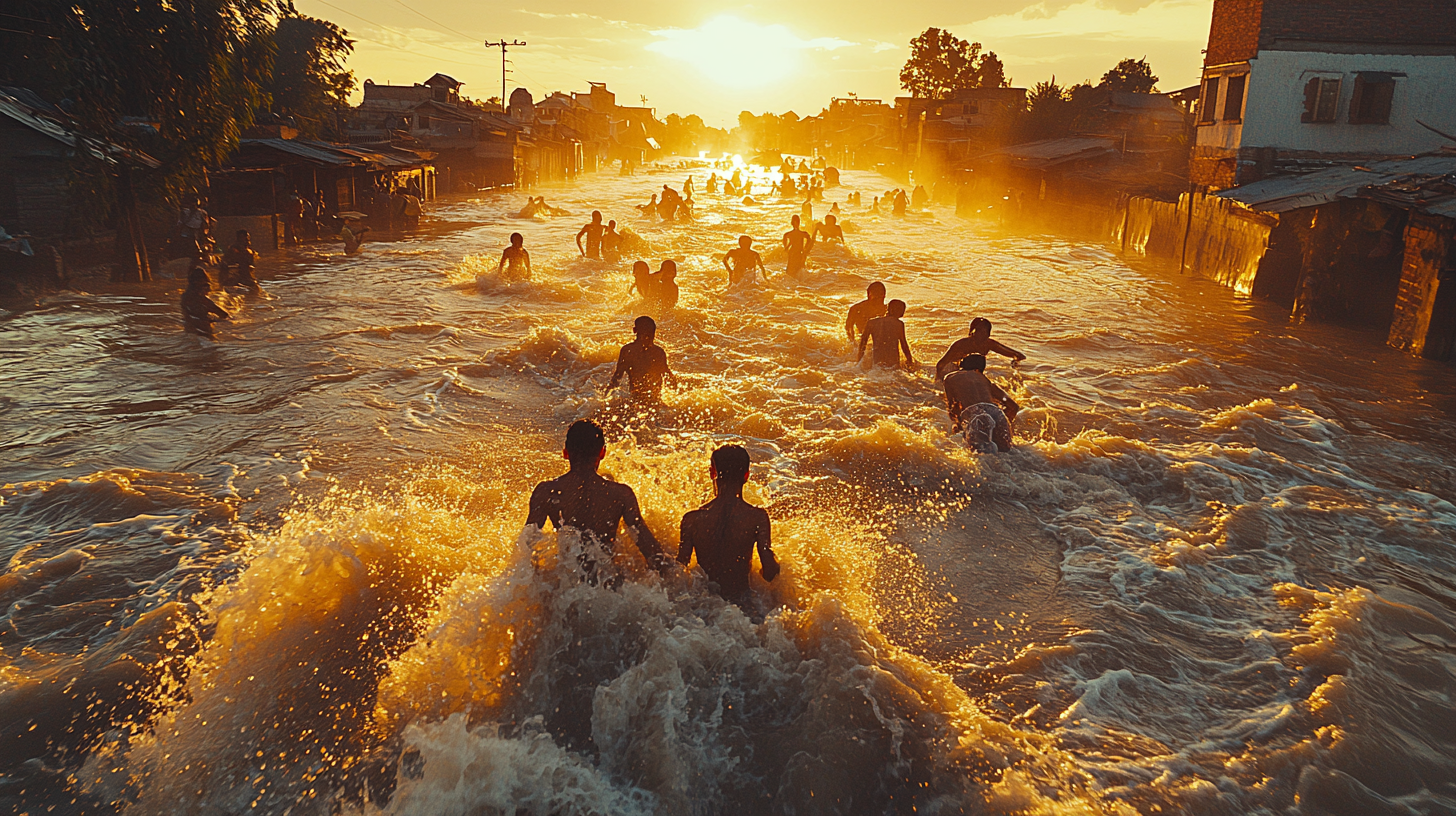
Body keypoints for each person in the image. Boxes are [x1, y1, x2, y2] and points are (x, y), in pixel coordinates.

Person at [525, 420, 673, 584]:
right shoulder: (620, 494)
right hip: (607, 583)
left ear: (565, 452)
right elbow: (650, 549)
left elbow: (527, 548)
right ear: (602, 452)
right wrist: (677, 573)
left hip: (568, 585)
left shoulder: (546, 492)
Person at [677, 445, 780, 606]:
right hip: (741, 605)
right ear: (746, 475)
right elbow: (769, 573)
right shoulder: (756, 518)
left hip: (705, 604)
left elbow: (679, 572)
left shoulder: (692, 519)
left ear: (712, 473)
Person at [943, 355, 1019, 453]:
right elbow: (1013, 406)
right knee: (1006, 453)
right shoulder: (983, 379)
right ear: (979, 369)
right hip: (996, 412)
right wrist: (1004, 424)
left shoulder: (949, 377)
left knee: (981, 458)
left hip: (975, 415)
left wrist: (959, 428)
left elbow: (953, 409)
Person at [607, 315, 678, 401]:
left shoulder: (628, 351)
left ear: (635, 330)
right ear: (654, 333)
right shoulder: (659, 352)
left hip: (635, 398)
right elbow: (668, 377)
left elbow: (617, 377)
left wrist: (606, 396)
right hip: (655, 400)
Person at [933, 317, 1026, 382]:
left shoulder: (989, 343)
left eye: (984, 332)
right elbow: (941, 364)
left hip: (974, 373)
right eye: (978, 331)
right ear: (971, 333)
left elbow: (1017, 355)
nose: (981, 335)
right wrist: (939, 380)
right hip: (954, 371)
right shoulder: (961, 344)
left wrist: (1015, 361)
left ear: (988, 334)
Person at [857, 299, 916, 371]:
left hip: (877, 359)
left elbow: (863, 342)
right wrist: (910, 361)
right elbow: (904, 345)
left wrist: (859, 360)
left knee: (878, 373)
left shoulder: (871, 322)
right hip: (893, 360)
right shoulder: (899, 324)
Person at [181, 265, 229, 338]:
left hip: (190, 331)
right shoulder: (203, 300)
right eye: (206, 285)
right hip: (204, 332)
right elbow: (223, 315)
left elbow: (187, 316)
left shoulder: (185, 297)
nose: (208, 290)